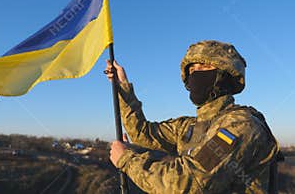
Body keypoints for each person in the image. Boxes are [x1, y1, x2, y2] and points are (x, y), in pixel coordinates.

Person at [105, 40, 280, 193]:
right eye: (192, 70)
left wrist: (127, 159)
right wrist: (122, 88)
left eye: (204, 67)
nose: (196, 74)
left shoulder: (242, 125)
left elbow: (186, 184)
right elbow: (142, 134)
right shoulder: (189, 127)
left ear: (223, 75)